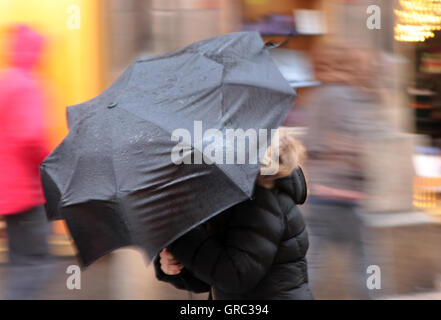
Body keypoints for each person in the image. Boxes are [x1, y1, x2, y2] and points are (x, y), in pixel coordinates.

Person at [153, 131, 313, 300]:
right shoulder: (229, 190)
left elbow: (235, 276)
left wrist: (181, 235)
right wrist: (176, 265)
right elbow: (211, 276)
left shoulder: (259, 196)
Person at [301, 41, 392, 299]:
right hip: (343, 196)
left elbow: (308, 144)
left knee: (312, 265)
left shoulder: (316, 97)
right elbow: (352, 143)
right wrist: (358, 153)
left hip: (318, 193)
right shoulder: (342, 96)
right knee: (366, 263)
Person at [0, 25, 52, 299]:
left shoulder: (4, 80)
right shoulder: (28, 85)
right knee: (34, 264)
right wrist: (51, 162)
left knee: (20, 261)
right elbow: (31, 136)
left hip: (7, 194)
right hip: (27, 194)